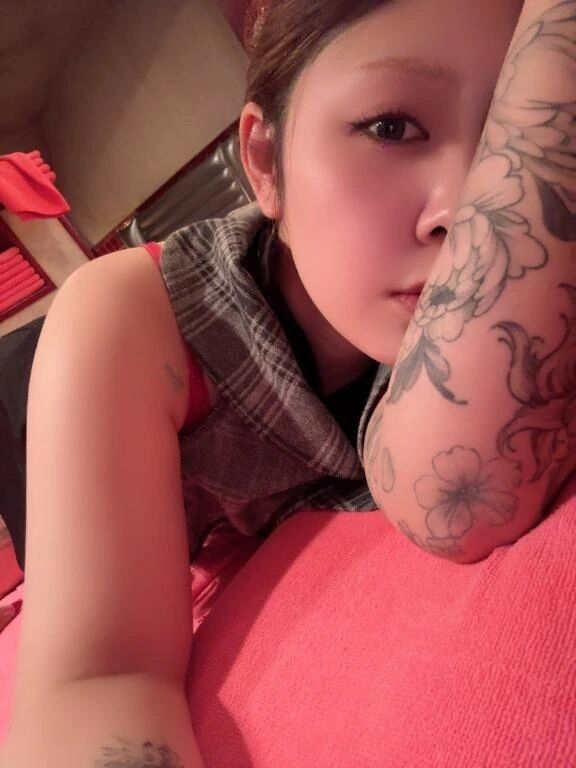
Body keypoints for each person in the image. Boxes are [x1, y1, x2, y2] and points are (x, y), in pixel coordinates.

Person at [1, 0, 574, 765]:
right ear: (265, 165)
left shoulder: (502, 295)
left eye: (507, 146)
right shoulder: (136, 319)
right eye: (391, 127)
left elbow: (455, 486)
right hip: (48, 388)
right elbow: (97, 681)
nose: (464, 211)